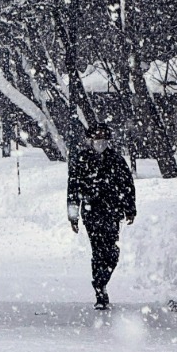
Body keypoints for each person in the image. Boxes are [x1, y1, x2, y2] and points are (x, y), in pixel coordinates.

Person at [67, 124, 136, 310]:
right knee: (98, 250)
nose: (100, 141)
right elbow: (73, 190)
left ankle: (102, 279)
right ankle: (100, 288)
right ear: (90, 139)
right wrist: (73, 216)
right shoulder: (81, 160)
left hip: (112, 212)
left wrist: (130, 209)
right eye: (97, 138)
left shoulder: (116, 160)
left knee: (112, 252)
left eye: (104, 138)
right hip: (91, 212)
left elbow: (127, 185)